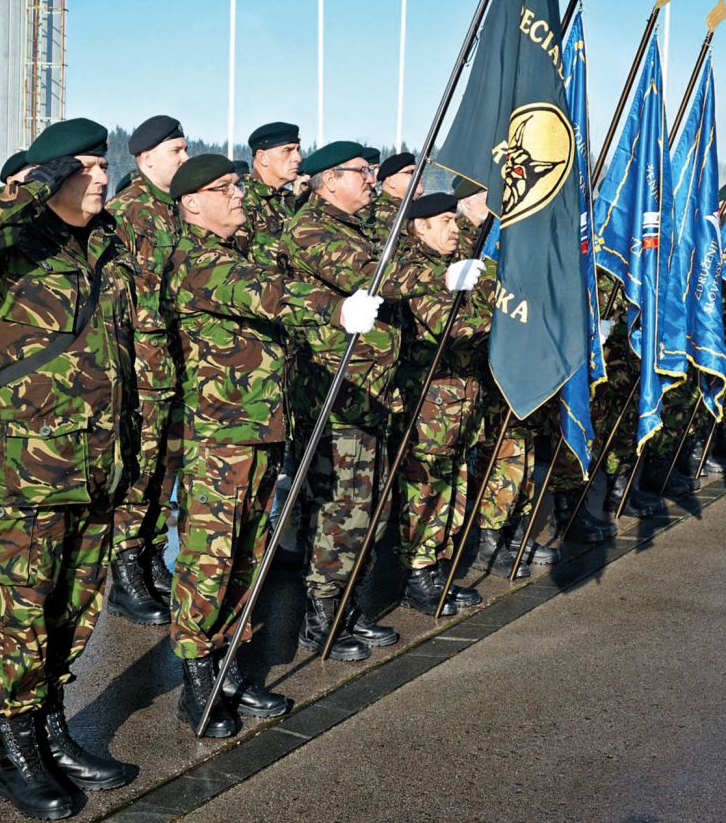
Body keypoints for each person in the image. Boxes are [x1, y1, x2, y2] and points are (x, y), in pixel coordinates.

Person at [0, 119, 134, 820]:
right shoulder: (13, 241)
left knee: (71, 611)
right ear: (51, 175)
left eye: (106, 163)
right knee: (20, 611)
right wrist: (29, 188)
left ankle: (51, 730)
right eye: (87, 166)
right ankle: (14, 753)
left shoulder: (108, 245)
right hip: (29, 470)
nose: (103, 176)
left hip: (98, 465)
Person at [165, 153, 381, 736]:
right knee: (209, 559)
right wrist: (336, 307)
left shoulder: (238, 251)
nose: (238, 195)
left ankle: (231, 662)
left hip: (262, 431)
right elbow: (266, 292)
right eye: (225, 188)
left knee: (247, 556)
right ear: (192, 203)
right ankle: (197, 676)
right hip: (219, 438)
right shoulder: (195, 260)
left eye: (238, 186)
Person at [281, 141, 482, 659]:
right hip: (336, 390)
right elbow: (368, 275)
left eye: (372, 171)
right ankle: (322, 617)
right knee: (340, 509)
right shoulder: (309, 229)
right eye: (361, 172)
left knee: (369, 506)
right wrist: (441, 275)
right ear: (329, 181)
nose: (371, 179)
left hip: (374, 390)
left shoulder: (362, 225)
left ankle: (348, 605)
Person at [104, 115, 189, 626]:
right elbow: (117, 300)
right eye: (176, 150)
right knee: (137, 470)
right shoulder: (125, 214)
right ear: (146, 158)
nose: (183, 157)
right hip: (141, 370)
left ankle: (153, 556)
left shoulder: (180, 211)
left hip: (178, 367)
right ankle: (125, 572)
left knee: (166, 471)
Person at [393, 192, 490, 614]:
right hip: (431, 402)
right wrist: (508, 327)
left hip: (461, 400)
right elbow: (448, 326)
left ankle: (438, 567)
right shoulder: (416, 271)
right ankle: (418, 573)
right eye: (446, 221)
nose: (455, 228)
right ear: (421, 227)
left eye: (455, 219)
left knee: (453, 485)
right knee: (425, 486)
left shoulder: (453, 266)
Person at [242, 121, 303, 254]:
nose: (298, 158)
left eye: (298, 150)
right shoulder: (241, 198)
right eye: (288, 151)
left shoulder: (292, 199)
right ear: (263, 158)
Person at [362, 151, 418, 234]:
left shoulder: (412, 208)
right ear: (390, 181)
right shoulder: (382, 212)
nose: (419, 176)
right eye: (411, 172)